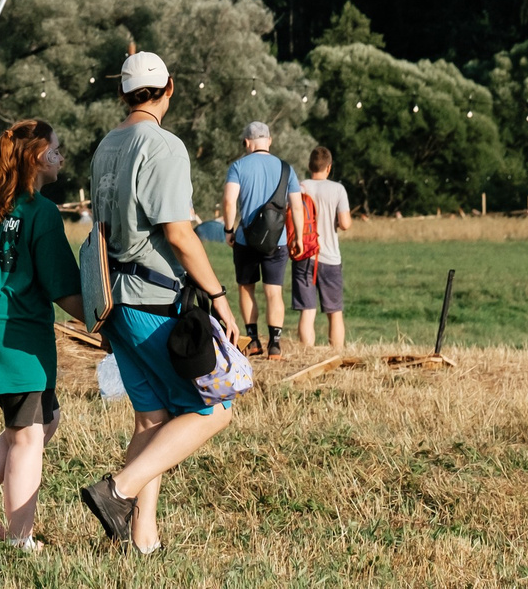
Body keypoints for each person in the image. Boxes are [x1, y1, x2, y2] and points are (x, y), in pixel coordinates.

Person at [76, 51, 243, 554]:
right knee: (216, 408)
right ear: (169, 88)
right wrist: (218, 296)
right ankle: (117, 492)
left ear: (123, 94)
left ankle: (140, 541)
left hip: (112, 301)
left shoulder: (107, 145)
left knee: (151, 420)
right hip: (153, 297)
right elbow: (178, 233)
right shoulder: (164, 147)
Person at [0, 119, 85, 552]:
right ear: (39, 156)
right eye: (57, 149)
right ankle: (18, 539)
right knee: (28, 437)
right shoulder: (41, 211)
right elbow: (62, 287)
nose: (61, 156)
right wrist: (102, 323)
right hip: (17, 334)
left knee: (41, 421)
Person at [218, 120, 294, 357]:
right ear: (269, 141)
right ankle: (275, 344)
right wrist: (298, 236)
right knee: (274, 291)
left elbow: (230, 201)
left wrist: (229, 230)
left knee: (246, 288)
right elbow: (298, 207)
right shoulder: (285, 168)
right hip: (278, 240)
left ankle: (252, 340)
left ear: (247, 142)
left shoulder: (238, 166)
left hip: (245, 239)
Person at [292, 145, 354, 351]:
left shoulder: (299, 187)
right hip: (329, 257)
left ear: (310, 166)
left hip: (304, 254)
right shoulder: (338, 189)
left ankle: (305, 355)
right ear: (329, 167)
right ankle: (336, 354)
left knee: (307, 311)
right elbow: (345, 224)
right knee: (334, 312)